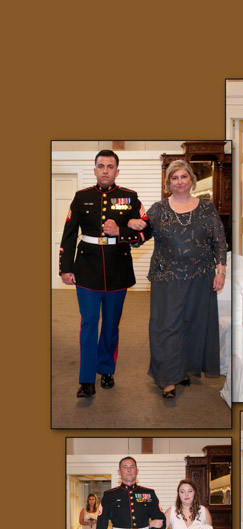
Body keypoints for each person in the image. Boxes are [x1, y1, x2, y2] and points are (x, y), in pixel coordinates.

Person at [59, 150, 152, 398]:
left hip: (117, 269)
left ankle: (106, 369)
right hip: (87, 270)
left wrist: (121, 230)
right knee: (89, 324)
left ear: (117, 171)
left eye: (110, 166)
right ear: (95, 170)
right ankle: (86, 379)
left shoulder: (129, 197)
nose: (105, 171)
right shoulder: (81, 197)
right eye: (101, 166)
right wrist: (65, 267)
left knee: (111, 325)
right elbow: (69, 234)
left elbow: (147, 230)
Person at [145, 160, 227, 399]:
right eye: (174, 178)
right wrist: (128, 226)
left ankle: (183, 370)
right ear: (168, 182)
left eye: (183, 177)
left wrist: (220, 271)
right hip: (166, 277)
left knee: (192, 325)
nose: (179, 181)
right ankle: (168, 378)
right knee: (166, 327)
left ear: (191, 179)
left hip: (200, 276)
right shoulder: (158, 209)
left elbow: (219, 241)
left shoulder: (206, 208)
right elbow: (139, 236)